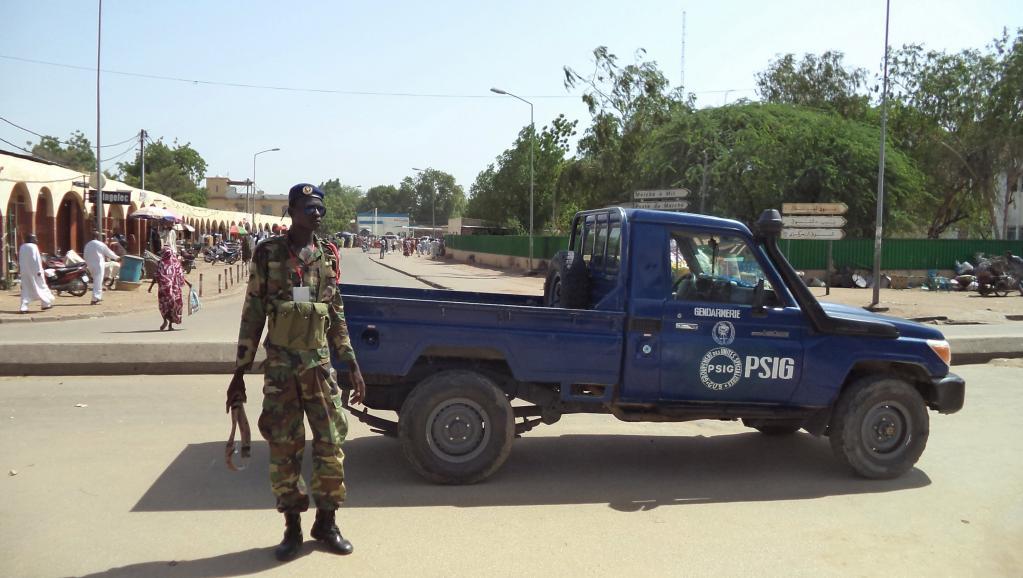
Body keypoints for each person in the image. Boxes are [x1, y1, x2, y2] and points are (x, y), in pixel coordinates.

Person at [226, 182, 366, 562]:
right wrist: (239, 371)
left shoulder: (327, 255)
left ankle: (327, 521)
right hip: (282, 370)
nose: (315, 213)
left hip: (319, 369)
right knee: (285, 449)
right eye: (308, 207)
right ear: (291, 211)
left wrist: (350, 363)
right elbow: (253, 312)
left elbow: (335, 313)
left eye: (319, 207)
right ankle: (292, 528)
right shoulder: (268, 253)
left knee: (331, 445)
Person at [147, 247, 193, 330]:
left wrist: (150, 287)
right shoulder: (176, 263)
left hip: (164, 290)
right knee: (173, 306)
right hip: (175, 290)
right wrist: (188, 283)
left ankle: (165, 320)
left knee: (165, 305)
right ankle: (170, 325)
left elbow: (156, 275)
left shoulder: (161, 263)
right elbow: (180, 275)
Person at [17, 234, 54, 313]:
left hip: (25, 272)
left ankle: (23, 307)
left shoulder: (22, 247)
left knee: (26, 289)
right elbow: (36, 260)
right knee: (41, 287)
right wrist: (39, 271)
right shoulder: (33, 247)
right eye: (35, 239)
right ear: (32, 239)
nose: (36, 240)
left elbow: (19, 260)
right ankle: (45, 304)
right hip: (35, 272)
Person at [84, 232, 120, 305]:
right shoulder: (100, 244)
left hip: (89, 265)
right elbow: (109, 253)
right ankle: (95, 298)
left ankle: (98, 297)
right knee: (98, 281)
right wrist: (117, 258)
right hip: (98, 265)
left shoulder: (88, 244)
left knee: (96, 281)